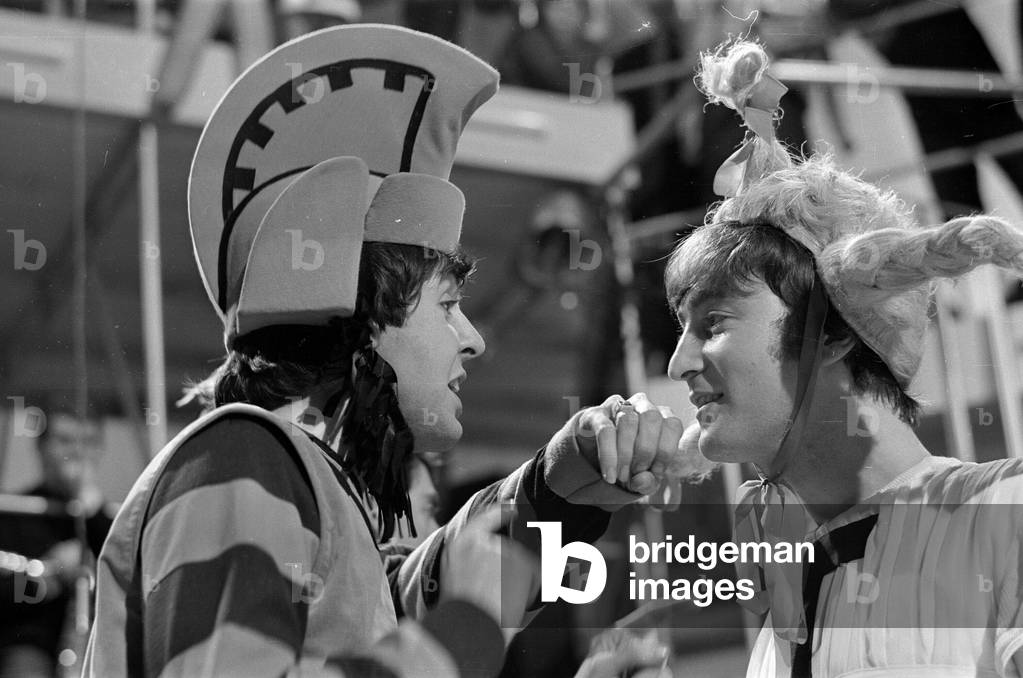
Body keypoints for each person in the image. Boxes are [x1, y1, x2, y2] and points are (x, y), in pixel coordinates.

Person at [84, 24, 684, 678]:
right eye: (447, 305)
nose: (473, 339)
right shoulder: (242, 455)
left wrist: (574, 471)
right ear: (362, 318)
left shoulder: (304, 489)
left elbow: (416, 594)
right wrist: (462, 634)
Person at [664, 38, 1023, 678]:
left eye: (712, 324)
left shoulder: (1003, 516)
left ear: (831, 333)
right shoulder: (785, 608)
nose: (678, 364)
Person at [0, 406, 114, 678]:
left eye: (88, 442)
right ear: (41, 447)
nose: (77, 452)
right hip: (31, 646)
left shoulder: (110, 522)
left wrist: (90, 503)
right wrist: (48, 574)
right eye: (65, 440)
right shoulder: (15, 512)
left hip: (99, 645)